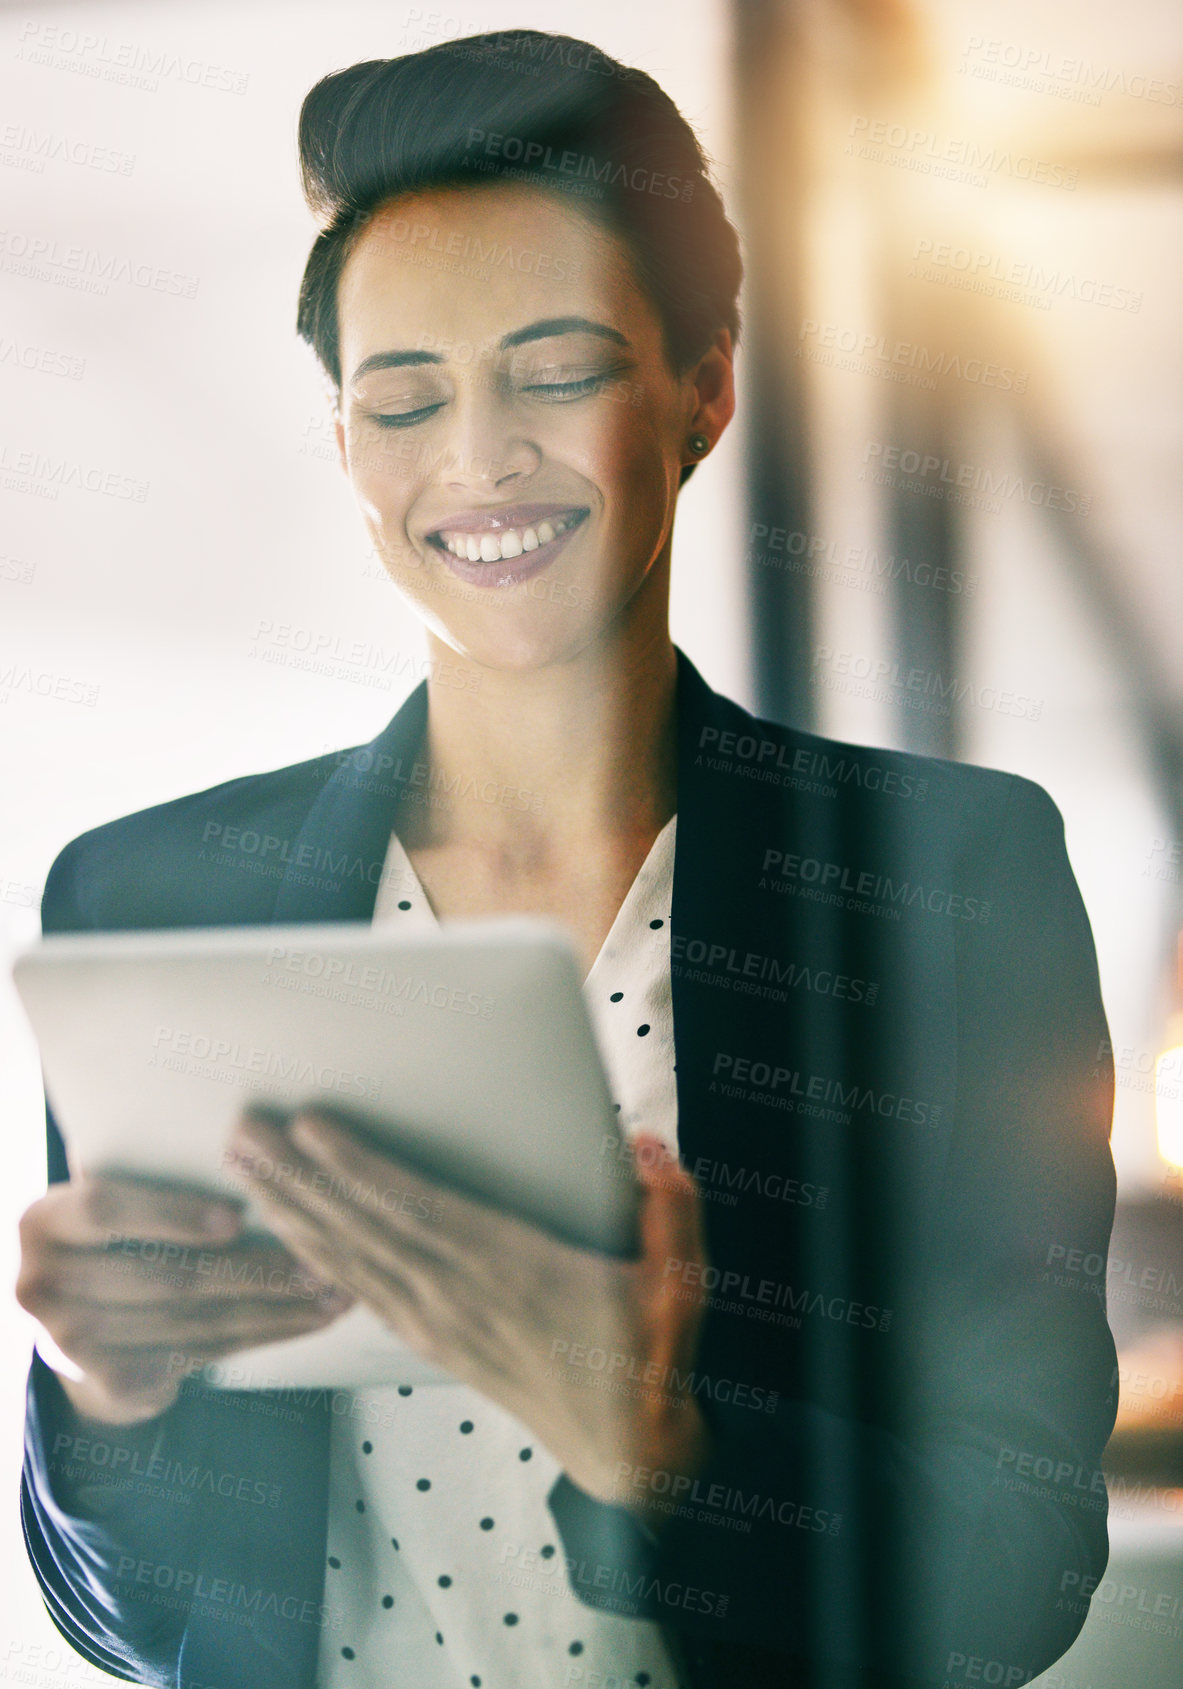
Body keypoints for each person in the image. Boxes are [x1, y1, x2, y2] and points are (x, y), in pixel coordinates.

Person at [17, 29, 1118, 1689]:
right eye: (403, 398)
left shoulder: (953, 882)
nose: (475, 462)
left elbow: (1017, 1569)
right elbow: (136, 1625)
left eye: (555, 371)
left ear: (703, 382)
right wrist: (102, 1406)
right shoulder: (156, 899)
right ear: (343, 446)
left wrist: (657, 1444)